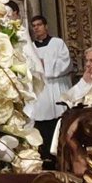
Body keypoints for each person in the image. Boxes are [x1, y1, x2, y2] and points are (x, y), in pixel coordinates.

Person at [30, 15, 70, 168]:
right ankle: (44, 158)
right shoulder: (31, 47)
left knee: (57, 124)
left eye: (39, 25)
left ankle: (60, 160)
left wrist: (44, 64)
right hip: (40, 91)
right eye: (34, 26)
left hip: (56, 87)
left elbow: (65, 63)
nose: (36, 28)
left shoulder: (57, 43)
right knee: (41, 127)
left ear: (46, 26)